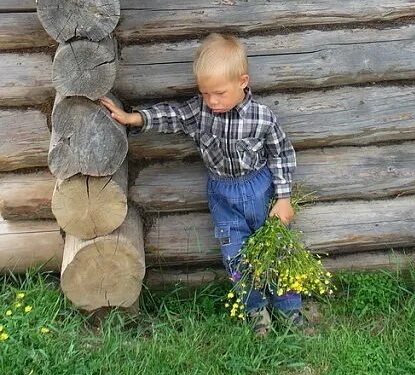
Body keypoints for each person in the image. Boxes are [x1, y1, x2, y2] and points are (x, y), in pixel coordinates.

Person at [99, 32, 302, 334]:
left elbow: (282, 156)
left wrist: (284, 198)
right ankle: (256, 311)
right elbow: (172, 115)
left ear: (243, 82)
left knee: (275, 251)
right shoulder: (199, 112)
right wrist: (134, 119)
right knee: (235, 255)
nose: (212, 100)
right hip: (222, 196)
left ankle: (289, 309)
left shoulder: (262, 119)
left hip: (260, 192)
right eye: (205, 93)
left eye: (219, 93)